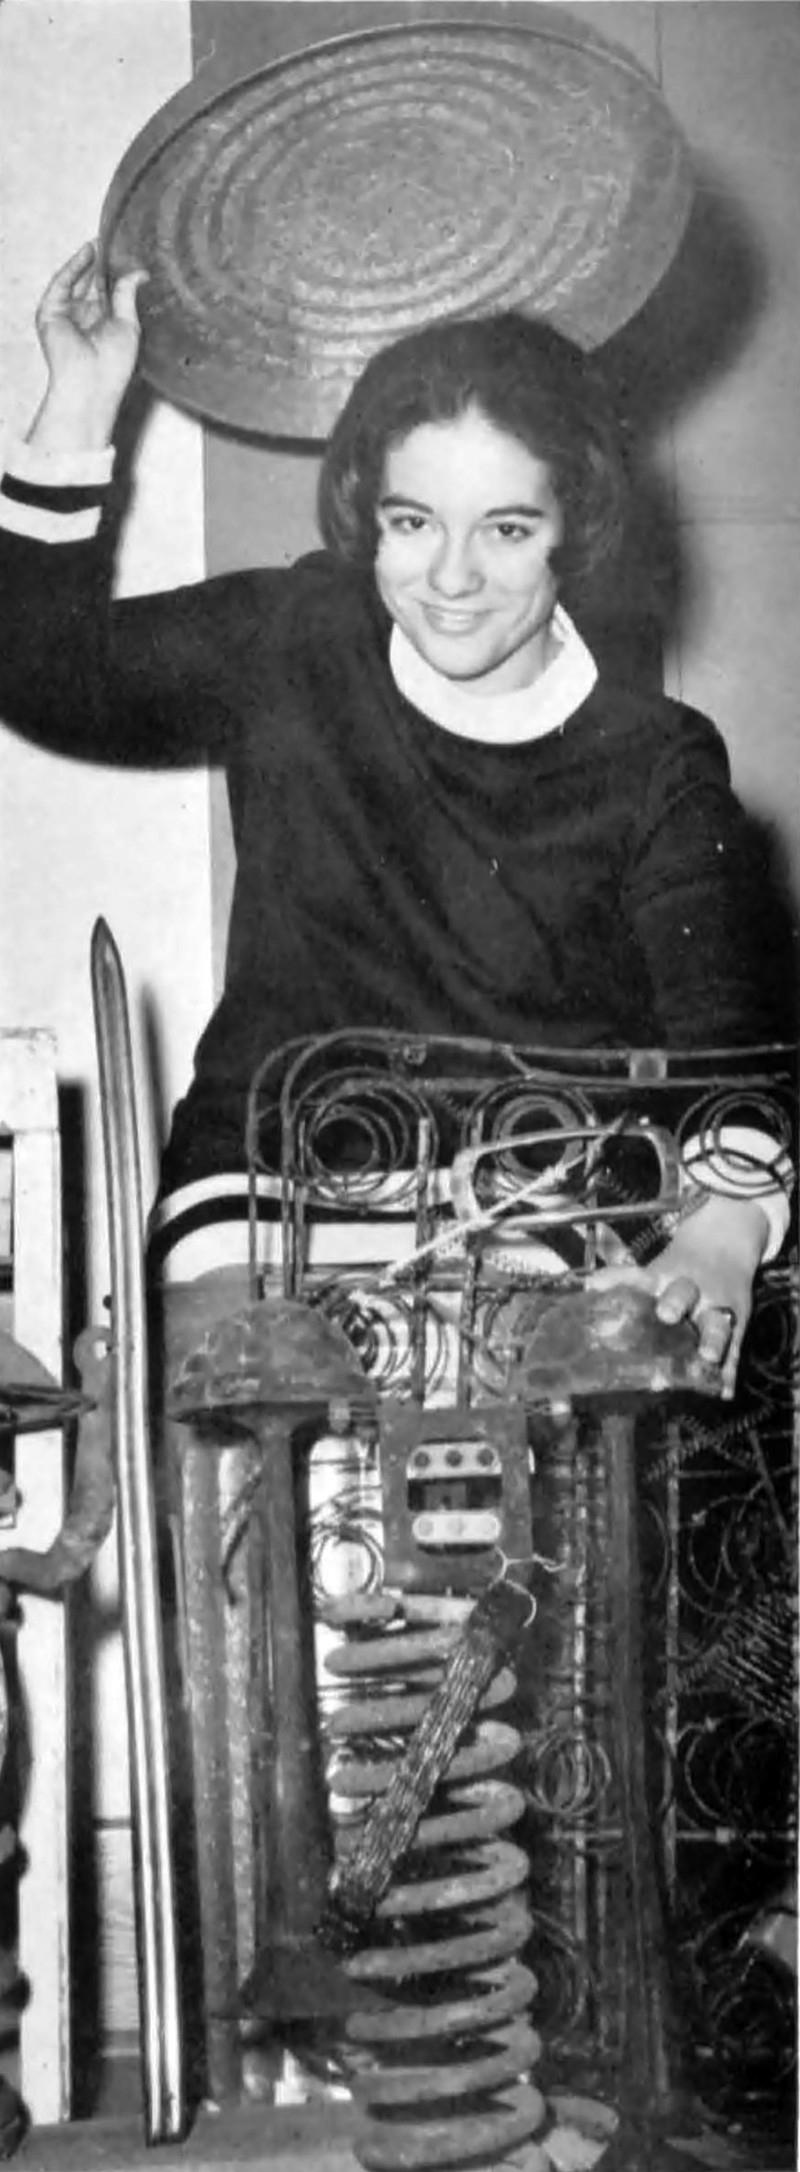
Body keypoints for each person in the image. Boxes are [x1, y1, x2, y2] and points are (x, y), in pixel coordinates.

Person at [0, 243, 791, 1394]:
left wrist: (721, 1231)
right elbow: (41, 668)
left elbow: (726, 1034)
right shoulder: (295, 641)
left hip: (540, 1230)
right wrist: (79, 399)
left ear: (573, 526)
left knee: (572, 1477)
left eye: (505, 529)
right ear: (368, 516)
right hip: (263, 1215)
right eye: (413, 522)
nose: (450, 579)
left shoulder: (655, 760)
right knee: (249, 1457)